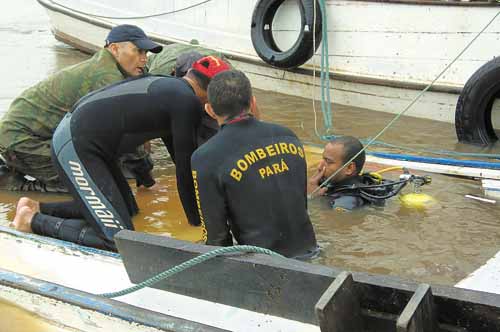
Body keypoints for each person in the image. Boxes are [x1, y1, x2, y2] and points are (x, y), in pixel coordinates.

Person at [11, 56, 231, 251]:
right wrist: (198, 225)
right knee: (119, 239)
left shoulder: (173, 89)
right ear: (212, 89)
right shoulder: (186, 102)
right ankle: (32, 221)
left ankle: (37, 207)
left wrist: (148, 180)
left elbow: (178, 157)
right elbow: (184, 170)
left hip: (87, 144)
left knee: (129, 209)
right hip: (75, 146)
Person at [0, 24, 163, 192]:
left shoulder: (109, 67)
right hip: (22, 141)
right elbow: (127, 135)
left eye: (146, 53)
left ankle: (19, 165)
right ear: (114, 49)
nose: (144, 58)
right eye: (138, 51)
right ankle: (14, 184)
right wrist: (147, 180)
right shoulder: (107, 79)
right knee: (92, 188)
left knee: (111, 168)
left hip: (32, 136)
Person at [191, 70, 317, 259]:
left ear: (209, 110)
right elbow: (299, 201)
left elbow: (216, 237)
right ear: (252, 102)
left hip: (264, 264)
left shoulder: (205, 157)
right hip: (311, 251)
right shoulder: (288, 136)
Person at [307, 136, 404, 211]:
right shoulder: (332, 184)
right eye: (323, 159)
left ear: (349, 168)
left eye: (328, 162)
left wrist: (312, 197)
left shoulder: (348, 202)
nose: (320, 167)